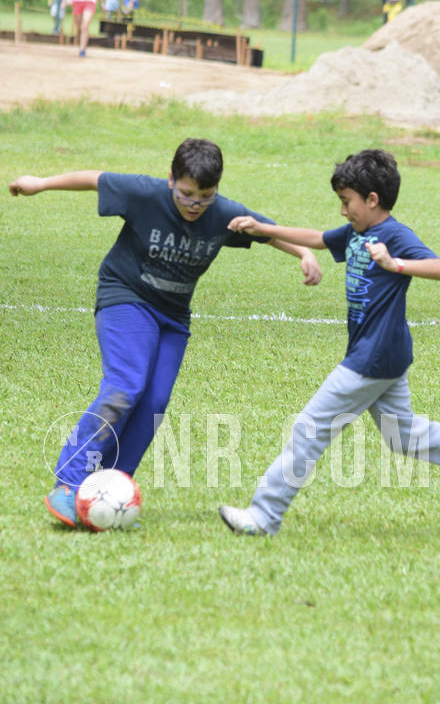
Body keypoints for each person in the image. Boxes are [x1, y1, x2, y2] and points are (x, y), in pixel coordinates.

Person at [219, 149, 440, 537]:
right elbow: (318, 239)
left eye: (346, 201)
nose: (342, 210)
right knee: (405, 437)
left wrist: (394, 264)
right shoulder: (357, 232)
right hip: (383, 355)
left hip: (372, 358)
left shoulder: (394, 236)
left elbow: (439, 268)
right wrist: (263, 228)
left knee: (309, 429)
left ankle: (264, 516)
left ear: (372, 199)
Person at [8, 139, 322, 528]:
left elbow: (265, 231)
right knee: (125, 386)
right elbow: (94, 179)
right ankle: (69, 483)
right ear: (171, 179)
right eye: (186, 194)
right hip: (125, 296)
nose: (195, 204)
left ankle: (109, 490)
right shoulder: (146, 193)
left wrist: (304, 253)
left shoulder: (222, 213)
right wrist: (41, 183)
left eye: (205, 196)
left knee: (154, 403)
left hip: (173, 316)